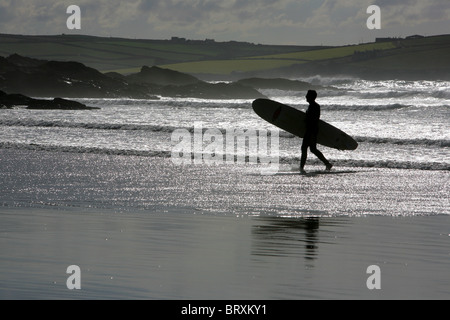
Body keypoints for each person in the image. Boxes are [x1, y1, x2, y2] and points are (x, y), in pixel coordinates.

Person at [300, 90, 332, 174]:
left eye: (307, 95)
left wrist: (306, 120)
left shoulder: (314, 106)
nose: (306, 97)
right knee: (313, 149)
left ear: (311, 97)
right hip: (312, 130)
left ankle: (301, 168)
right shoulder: (313, 106)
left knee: (305, 148)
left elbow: (314, 119)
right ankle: (327, 164)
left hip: (311, 130)